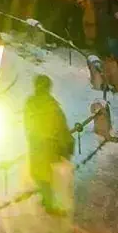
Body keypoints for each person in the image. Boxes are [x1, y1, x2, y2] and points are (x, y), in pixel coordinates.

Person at [23, 75, 74, 214]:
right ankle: (50, 205)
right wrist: (68, 144)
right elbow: (61, 126)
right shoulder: (51, 105)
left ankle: (47, 201)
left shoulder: (30, 103)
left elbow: (27, 124)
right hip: (49, 146)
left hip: (36, 145)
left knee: (41, 175)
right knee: (47, 177)